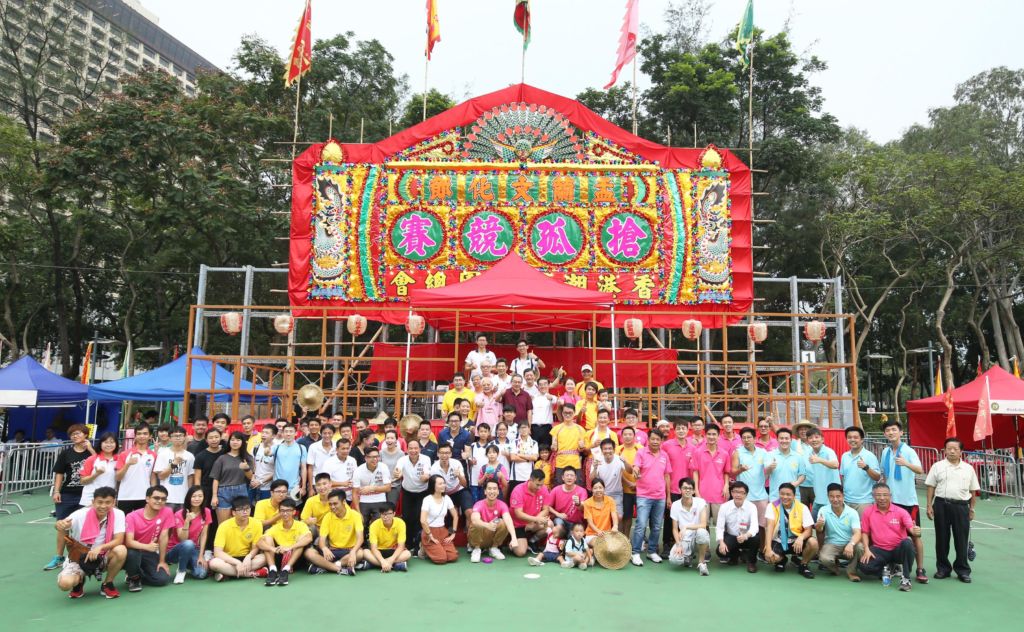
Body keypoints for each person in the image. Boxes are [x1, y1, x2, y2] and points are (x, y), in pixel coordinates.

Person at [54, 486, 127, 599]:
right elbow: (63, 525)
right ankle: (79, 581)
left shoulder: (119, 514)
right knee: (64, 584)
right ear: (93, 502)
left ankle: (107, 584)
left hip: (102, 556)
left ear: (114, 502)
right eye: (100, 502)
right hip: (79, 557)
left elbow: (119, 539)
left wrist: (100, 548)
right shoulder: (79, 514)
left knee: (121, 550)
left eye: (108, 502)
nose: (103, 506)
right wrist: (59, 524)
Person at [879, 419, 928, 583]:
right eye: (887, 430)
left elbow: (920, 470)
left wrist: (905, 463)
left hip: (907, 502)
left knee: (914, 535)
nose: (891, 433)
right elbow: (884, 474)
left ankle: (920, 568)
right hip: (891, 503)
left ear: (900, 432)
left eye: (894, 430)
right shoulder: (885, 452)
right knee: (892, 535)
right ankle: (894, 565)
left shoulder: (908, 451)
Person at [925, 437, 980, 582]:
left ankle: (962, 570)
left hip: (961, 506)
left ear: (961, 451)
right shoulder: (937, 466)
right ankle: (943, 568)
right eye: (949, 448)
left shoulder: (968, 468)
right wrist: (929, 505)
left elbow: (973, 490)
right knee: (941, 539)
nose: (952, 451)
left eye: (955, 449)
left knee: (961, 539)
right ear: (944, 450)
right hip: (941, 505)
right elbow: (931, 486)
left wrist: (972, 509)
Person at [45, 424, 94, 571]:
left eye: (78, 433)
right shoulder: (65, 454)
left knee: (84, 527)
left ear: (86, 435)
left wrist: (91, 449)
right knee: (62, 526)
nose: (75, 436)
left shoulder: (92, 452)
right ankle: (58, 556)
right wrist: (57, 491)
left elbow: (99, 462)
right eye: (72, 434)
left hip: (86, 494)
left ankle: (81, 555)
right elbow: (59, 473)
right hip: (67, 493)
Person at [859, 483, 922, 592]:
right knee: (864, 566)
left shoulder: (901, 512)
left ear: (890, 495)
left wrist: (915, 531)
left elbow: (911, 528)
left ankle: (906, 579)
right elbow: (865, 532)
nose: (882, 498)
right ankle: (889, 569)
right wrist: (867, 549)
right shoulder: (868, 512)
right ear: (873, 496)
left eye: (885, 495)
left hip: (898, 549)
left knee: (907, 542)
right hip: (880, 549)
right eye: (878, 495)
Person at [629, 429, 672, 566]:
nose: (654, 441)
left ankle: (652, 551)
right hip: (644, 496)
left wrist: (669, 496)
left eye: (657, 439)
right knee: (641, 525)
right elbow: (636, 467)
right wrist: (636, 471)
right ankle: (635, 553)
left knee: (657, 526)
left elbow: (667, 476)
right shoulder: (641, 452)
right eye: (652, 439)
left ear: (661, 441)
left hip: (660, 496)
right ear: (648, 439)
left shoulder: (664, 455)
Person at [123, 485, 173, 591]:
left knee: (162, 580)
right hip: (133, 552)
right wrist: (147, 546)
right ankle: (134, 577)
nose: (160, 501)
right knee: (132, 553)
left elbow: (164, 537)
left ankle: (138, 573)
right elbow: (128, 542)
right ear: (147, 498)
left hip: (149, 553)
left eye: (163, 499)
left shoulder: (167, 512)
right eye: (156, 498)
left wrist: (162, 561)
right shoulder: (131, 516)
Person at [763, 483, 817, 578]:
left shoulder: (802, 507)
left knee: (813, 543)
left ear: (794, 495)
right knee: (770, 557)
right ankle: (782, 560)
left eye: (788, 494)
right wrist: (768, 548)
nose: (785, 497)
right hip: (778, 540)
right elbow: (769, 527)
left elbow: (809, 530)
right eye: (782, 494)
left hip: (796, 542)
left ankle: (803, 565)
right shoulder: (772, 506)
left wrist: (801, 538)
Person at [304, 489, 364, 575]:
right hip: (332, 552)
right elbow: (322, 539)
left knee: (360, 553)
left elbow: (360, 538)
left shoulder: (355, 515)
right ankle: (341, 569)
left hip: (349, 551)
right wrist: (324, 548)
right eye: (330, 504)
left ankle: (327, 567)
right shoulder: (327, 517)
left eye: (335, 504)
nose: (332, 507)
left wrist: (353, 551)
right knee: (309, 552)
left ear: (343, 502)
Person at [256, 498, 311, 586]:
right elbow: (259, 542)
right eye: (282, 511)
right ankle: (272, 570)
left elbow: (309, 538)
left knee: (301, 539)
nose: (285, 513)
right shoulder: (276, 527)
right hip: (279, 556)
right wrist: (273, 549)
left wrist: (291, 547)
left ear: (294, 512)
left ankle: (286, 569)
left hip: (295, 559)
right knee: (267, 539)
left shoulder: (301, 525)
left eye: (288, 511)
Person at [815, 483, 863, 582]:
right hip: (832, 544)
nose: (835, 499)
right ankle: (835, 568)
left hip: (849, 544)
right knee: (824, 558)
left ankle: (851, 571)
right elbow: (819, 531)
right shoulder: (823, 510)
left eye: (838, 496)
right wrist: (819, 526)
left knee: (860, 547)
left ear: (843, 496)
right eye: (831, 496)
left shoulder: (852, 512)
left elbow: (857, 533)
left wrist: (851, 544)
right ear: (828, 497)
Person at [167, 485, 212, 584]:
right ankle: (181, 571)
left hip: (193, 549)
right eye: (194, 496)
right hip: (174, 550)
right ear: (188, 497)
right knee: (188, 543)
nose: (197, 499)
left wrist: (201, 555)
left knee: (201, 574)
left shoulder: (206, 512)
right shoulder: (179, 514)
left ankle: (187, 562)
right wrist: (187, 521)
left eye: (200, 496)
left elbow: (204, 535)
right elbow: (182, 538)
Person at [394, 440, 431, 553]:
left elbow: (427, 473)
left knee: (419, 518)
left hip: (422, 492)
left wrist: (425, 477)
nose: (413, 451)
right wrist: (398, 474)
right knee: (407, 518)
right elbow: (398, 470)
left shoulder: (426, 459)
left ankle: (418, 545)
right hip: (408, 492)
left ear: (419, 449)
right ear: (407, 449)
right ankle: (408, 543)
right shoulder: (402, 460)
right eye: (411, 448)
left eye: (416, 448)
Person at [209, 431, 255, 524]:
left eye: (238, 440)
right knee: (223, 524)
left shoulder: (247, 457)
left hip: (241, 490)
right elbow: (216, 479)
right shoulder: (222, 458)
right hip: (223, 491)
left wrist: (246, 468)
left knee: (241, 522)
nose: (235, 442)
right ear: (229, 442)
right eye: (232, 440)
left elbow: (251, 477)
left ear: (242, 442)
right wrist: (214, 496)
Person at [469, 479, 519, 562]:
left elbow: (508, 519)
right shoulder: (479, 504)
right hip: (478, 537)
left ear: (498, 491)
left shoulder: (502, 505)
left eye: (495, 489)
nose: (492, 491)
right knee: (476, 523)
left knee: (503, 522)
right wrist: (487, 525)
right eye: (489, 489)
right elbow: (474, 519)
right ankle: (476, 549)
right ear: (485, 491)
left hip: (491, 538)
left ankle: (494, 548)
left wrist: (514, 538)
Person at [668, 477, 710, 575]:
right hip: (685, 537)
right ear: (680, 490)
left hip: (698, 534)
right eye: (685, 488)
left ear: (694, 490)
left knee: (702, 532)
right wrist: (678, 544)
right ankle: (688, 557)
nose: (687, 490)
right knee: (674, 560)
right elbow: (674, 529)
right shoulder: (675, 505)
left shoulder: (700, 502)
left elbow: (703, 524)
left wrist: (686, 527)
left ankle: (701, 562)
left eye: (690, 488)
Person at [715, 481, 760, 572]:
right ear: (731, 493)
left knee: (756, 538)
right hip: (731, 536)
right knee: (720, 551)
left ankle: (751, 562)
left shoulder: (752, 507)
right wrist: (721, 542)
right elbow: (719, 527)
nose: (738, 495)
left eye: (741, 492)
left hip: (747, 536)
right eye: (735, 491)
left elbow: (755, 526)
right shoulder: (724, 506)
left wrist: (746, 536)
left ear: (746, 494)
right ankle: (735, 555)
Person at [692, 423, 730, 527]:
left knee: (720, 525)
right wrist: (696, 491)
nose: (711, 437)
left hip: (719, 494)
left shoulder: (724, 453)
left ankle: (720, 544)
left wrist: (726, 485)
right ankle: (704, 544)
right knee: (703, 526)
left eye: (714, 434)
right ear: (705, 435)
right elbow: (695, 472)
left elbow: (726, 472)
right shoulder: (697, 452)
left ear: (718, 436)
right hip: (702, 493)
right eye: (709, 434)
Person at [115, 423, 156, 514]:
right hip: (125, 496)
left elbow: (153, 477)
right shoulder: (124, 454)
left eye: (145, 434)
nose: (142, 436)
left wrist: (153, 494)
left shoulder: (153, 455)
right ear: (135, 436)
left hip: (144, 496)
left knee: (142, 525)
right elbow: (118, 477)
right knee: (124, 525)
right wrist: (128, 464)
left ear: (150, 436)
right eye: (139, 433)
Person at [509, 468, 552, 557]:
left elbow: (546, 509)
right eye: (537, 485)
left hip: (533, 523)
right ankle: (511, 543)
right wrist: (536, 519)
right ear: (530, 480)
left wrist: (536, 520)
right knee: (521, 552)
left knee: (550, 524)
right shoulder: (518, 490)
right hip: (518, 525)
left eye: (541, 484)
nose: (540, 487)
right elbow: (518, 513)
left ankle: (531, 541)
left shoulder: (543, 489)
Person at [839, 426, 881, 514]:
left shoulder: (869, 456)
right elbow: (843, 477)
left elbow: (877, 477)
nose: (852, 440)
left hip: (864, 502)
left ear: (862, 440)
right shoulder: (844, 456)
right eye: (849, 437)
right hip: (847, 500)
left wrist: (866, 468)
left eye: (855, 437)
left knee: (863, 527)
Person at [732, 427, 769, 526]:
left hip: (761, 496)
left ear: (755, 438)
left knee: (762, 525)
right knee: (743, 525)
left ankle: (763, 542)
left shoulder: (763, 452)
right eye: (744, 438)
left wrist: (767, 475)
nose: (746, 440)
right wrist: (741, 470)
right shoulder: (737, 452)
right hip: (744, 496)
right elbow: (733, 472)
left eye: (749, 437)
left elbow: (769, 468)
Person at [152, 426, 195, 511]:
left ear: (185, 437)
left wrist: (189, 495)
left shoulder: (190, 456)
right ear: (170, 438)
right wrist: (173, 465)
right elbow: (160, 476)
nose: (178, 438)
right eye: (175, 436)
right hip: (166, 498)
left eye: (180, 435)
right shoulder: (163, 454)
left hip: (183, 498)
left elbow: (190, 477)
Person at [421, 474, 460, 564]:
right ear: (433, 486)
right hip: (429, 531)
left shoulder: (446, 498)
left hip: (443, 531)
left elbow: (455, 515)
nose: (444, 485)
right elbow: (423, 520)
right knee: (441, 559)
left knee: (453, 557)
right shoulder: (427, 499)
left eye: (444, 483)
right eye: (440, 484)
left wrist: (453, 533)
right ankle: (422, 547)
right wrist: (430, 535)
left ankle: (437, 548)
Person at [804, 427, 840, 519]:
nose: (814, 440)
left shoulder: (828, 451)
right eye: (811, 438)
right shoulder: (809, 452)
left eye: (816, 437)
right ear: (807, 441)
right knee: (815, 525)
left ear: (822, 439)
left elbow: (835, 464)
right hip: (818, 498)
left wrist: (819, 460)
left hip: (831, 499)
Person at [366, 502, 412, 572]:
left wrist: (391, 560)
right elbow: (374, 548)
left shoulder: (400, 523)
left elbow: (401, 546)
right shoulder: (374, 525)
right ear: (380, 514)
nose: (385, 517)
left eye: (389, 514)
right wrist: (382, 561)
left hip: (393, 550)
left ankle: (374, 565)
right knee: (365, 552)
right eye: (383, 514)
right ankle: (395, 565)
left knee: (407, 554)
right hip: (379, 551)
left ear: (394, 514)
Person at [78, 433, 119, 508]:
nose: (109, 445)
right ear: (100, 444)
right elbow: (82, 481)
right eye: (105, 442)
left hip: (109, 499)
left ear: (116, 444)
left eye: (112, 442)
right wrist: (96, 474)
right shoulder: (92, 459)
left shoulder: (119, 459)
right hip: (90, 499)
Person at [353, 446, 392, 525]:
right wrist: (358, 512)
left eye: (377, 456)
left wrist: (372, 488)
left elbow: (388, 488)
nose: (375, 459)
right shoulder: (358, 470)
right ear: (366, 458)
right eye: (372, 457)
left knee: (379, 523)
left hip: (380, 498)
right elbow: (355, 493)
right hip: (364, 500)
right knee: (361, 523)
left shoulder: (383, 467)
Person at [765, 427, 806, 501]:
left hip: (794, 497)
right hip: (775, 497)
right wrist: (770, 468)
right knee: (776, 513)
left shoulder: (798, 456)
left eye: (787, 438)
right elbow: (766, 475)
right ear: (777, 439)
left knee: (794, 513)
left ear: (791, 440)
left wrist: (797, 483)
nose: (784, 441)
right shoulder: (770, 455)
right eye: (781, 438)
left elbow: (802, 475)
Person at [590, 439, 626, 521]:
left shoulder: (619, 459)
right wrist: (595, 468)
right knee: (602, 518)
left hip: (616, 493)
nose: (607, 451)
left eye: (610, 448)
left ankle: (615, 533)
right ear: (601, 450)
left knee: (619, 517)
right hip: (601, 493)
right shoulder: (597, 460)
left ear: (614, 449)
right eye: (605, 449)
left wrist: (626, 462)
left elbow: (630, 471)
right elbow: (591, 478)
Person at [191, 429, 223, 518]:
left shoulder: (224, 453)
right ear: (206, 440)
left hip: (222, 489)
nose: (214, 440)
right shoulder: (200, 456)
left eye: (216, 437)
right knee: (206, 516)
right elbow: (197, 478)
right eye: (211, 438)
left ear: (220, 438)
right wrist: (199, 493)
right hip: (206, 490)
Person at [551, 403, 586, 483]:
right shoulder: (556, 429)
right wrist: (553, 446)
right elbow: (554, 448)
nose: (567, 415)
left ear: (574, 413)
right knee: (560, 487)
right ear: (562, 413)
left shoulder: (580, 429)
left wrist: (582, 447)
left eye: (570, 413)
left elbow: (581, 449)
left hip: (575, 463)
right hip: (560, 463)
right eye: (565, 413)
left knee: (576, 488)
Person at [582, 478, 618, 556]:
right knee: (600, 545)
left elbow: (614, 514)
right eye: (595, 488)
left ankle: (591, 553)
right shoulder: (587, 503)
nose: (598, 490)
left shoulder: (610, 500)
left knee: (615, 549)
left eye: (600, 487)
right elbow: (590, 522)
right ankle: (591, 553)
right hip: (592, 534)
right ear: (592, 490)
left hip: (607, 534)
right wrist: (598, 531)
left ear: (604, 488)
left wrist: (615, 526)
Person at [617, 426, 641, 537]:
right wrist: (628, 483)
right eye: (625, 434)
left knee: (642, 517)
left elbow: (645, 469)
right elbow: (617, 471)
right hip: (624, 490)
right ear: (621, 437)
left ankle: (641, 540)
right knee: (626, 516)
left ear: (634, 436)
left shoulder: (640, 449)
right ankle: (625, 539)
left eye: (630, 434)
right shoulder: (618, 450)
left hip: (640, 490)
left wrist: (636, 484)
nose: (627, 437)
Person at [272, 423, 307, 501]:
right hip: (277, 487)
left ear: (296, 433)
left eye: (291, 431)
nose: (288, 434)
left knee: (293, 511)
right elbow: (268, 453)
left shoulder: (301, 448)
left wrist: (303, 487)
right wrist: (267, 450)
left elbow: (304, 468)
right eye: (286, 431)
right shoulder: (276, 447)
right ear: (282, 433)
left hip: (294, 487)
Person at [249, 424, 278, 504]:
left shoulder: (277, 450)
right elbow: (253, 465)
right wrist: (252, 478)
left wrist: (261, 482)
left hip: (268, 488)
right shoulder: (256, 448)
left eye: (267, 433)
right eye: (263, 432)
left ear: (274, 436)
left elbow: (277, 470)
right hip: (253, 485)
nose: (263, 435)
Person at [323, 436, 358, 501]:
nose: (345, 451)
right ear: (337, 449)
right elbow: (325, 481)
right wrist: (342, 483)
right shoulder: (329, 462)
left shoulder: (352, 460)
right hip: (335, 496)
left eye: (347, 448)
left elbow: (356, 477)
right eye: (343, 448)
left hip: (351, 496)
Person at [301, 473, 334, 539]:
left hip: (333, 530)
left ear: (330, 483)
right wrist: (308, 521)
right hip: (316, 530)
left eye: (324, 484)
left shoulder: (337, 499)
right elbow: (302, 521)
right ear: (315, 487)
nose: (322, 487)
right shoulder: (311, 501)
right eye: (318, 485)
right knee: (308, 529)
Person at [509, 422, 539, 496]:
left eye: (525, 427)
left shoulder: (534, 443)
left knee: (528, 497)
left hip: (528, 476)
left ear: (529, 429)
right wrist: (528, 458)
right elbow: (513, 457)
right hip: (516, 476)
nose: (523, 429)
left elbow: (534, 457)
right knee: (515, 496)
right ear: (518, 430)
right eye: (521, 428)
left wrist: (519, 455)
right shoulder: (514, 442)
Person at [305, 422, 336, 491]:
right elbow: (310, 468)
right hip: (317, 483)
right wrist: (310, 488)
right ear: (321, 434)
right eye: (324, 433)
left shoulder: (337, 445)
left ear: (333, 434)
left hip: (334, 483)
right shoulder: (313, 447)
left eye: (329, 433)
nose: (327, 435)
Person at [379, 430, 405, 506]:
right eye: (387, 438)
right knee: (381, 507)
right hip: (381, 485)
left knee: (390, 507)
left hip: (394, 485)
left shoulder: (401, 453)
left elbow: (403, 470)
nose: (389, 440)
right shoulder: (381, 452)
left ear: (396, 440)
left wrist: (398, 476)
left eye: (392, 438)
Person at [530, 377, 557, 447]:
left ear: (548, 385)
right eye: (540, 384)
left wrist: (550, 397)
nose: (543, 386)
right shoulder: (533, 398)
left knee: (546, 450)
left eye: (545, 384)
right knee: (534, 450)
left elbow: (557, 401)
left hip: (547, 428)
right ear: (538, 386)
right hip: (534, 428)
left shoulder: (552, 397)